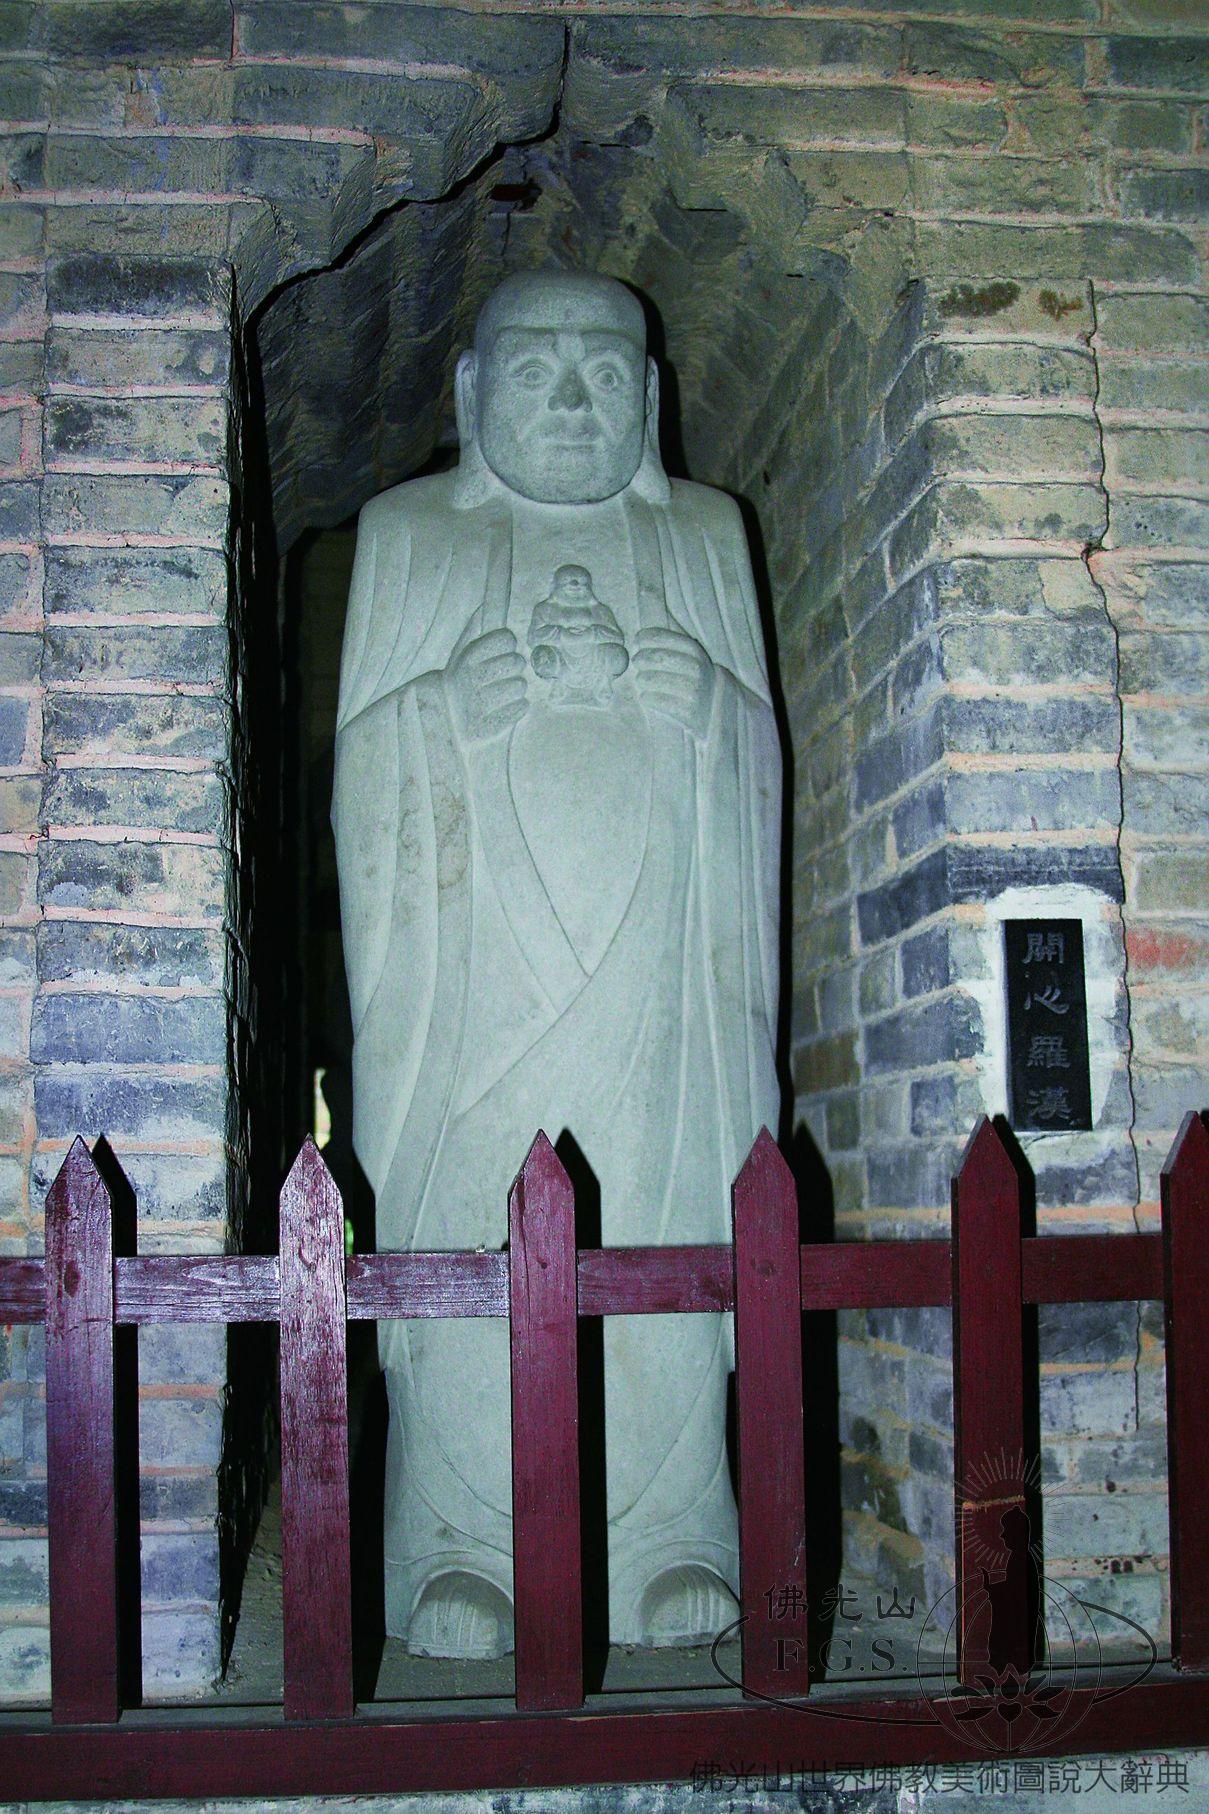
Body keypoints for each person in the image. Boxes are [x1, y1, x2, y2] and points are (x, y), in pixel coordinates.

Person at [332, 270, 782, 1659]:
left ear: (650, 397)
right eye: (535, 372)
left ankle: (672, 1532)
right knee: (464, 1224)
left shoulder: (703, 536)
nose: (575, 402)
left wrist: (711, 714)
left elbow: (764, 772)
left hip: (664, 999)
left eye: (604, 373)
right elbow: (357, 787)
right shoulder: (410, 537)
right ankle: (456, 1546)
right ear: (472, 394)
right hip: (474, 1002)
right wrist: (438, 714)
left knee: (664, 1206)